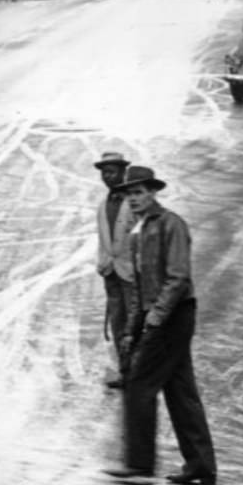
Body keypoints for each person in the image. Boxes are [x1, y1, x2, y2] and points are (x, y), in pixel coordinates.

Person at [104, 166, 217, 485]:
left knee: (139, 384)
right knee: (180, 391)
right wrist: (132, 329)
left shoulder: (171, 224)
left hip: (173, 314)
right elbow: (140, 287)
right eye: (129, 195)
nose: (133, 199)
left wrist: (155, 318)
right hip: (159, 315)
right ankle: (200, 465)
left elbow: (178, 277)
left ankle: (139, 463)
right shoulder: (138, 232)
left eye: (139, 193)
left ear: (153, 193)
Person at [94, 152, 136, 389]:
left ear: (122, 173)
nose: (107, 177)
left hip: (132, 274)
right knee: (118, 322)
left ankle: (140, 373)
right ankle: (125, 371)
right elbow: (103, 239)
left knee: (135, 324)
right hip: (111, 273)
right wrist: (102, 262)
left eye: (111, 172)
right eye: (104, 173)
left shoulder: (133, 202)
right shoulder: (103, 205)